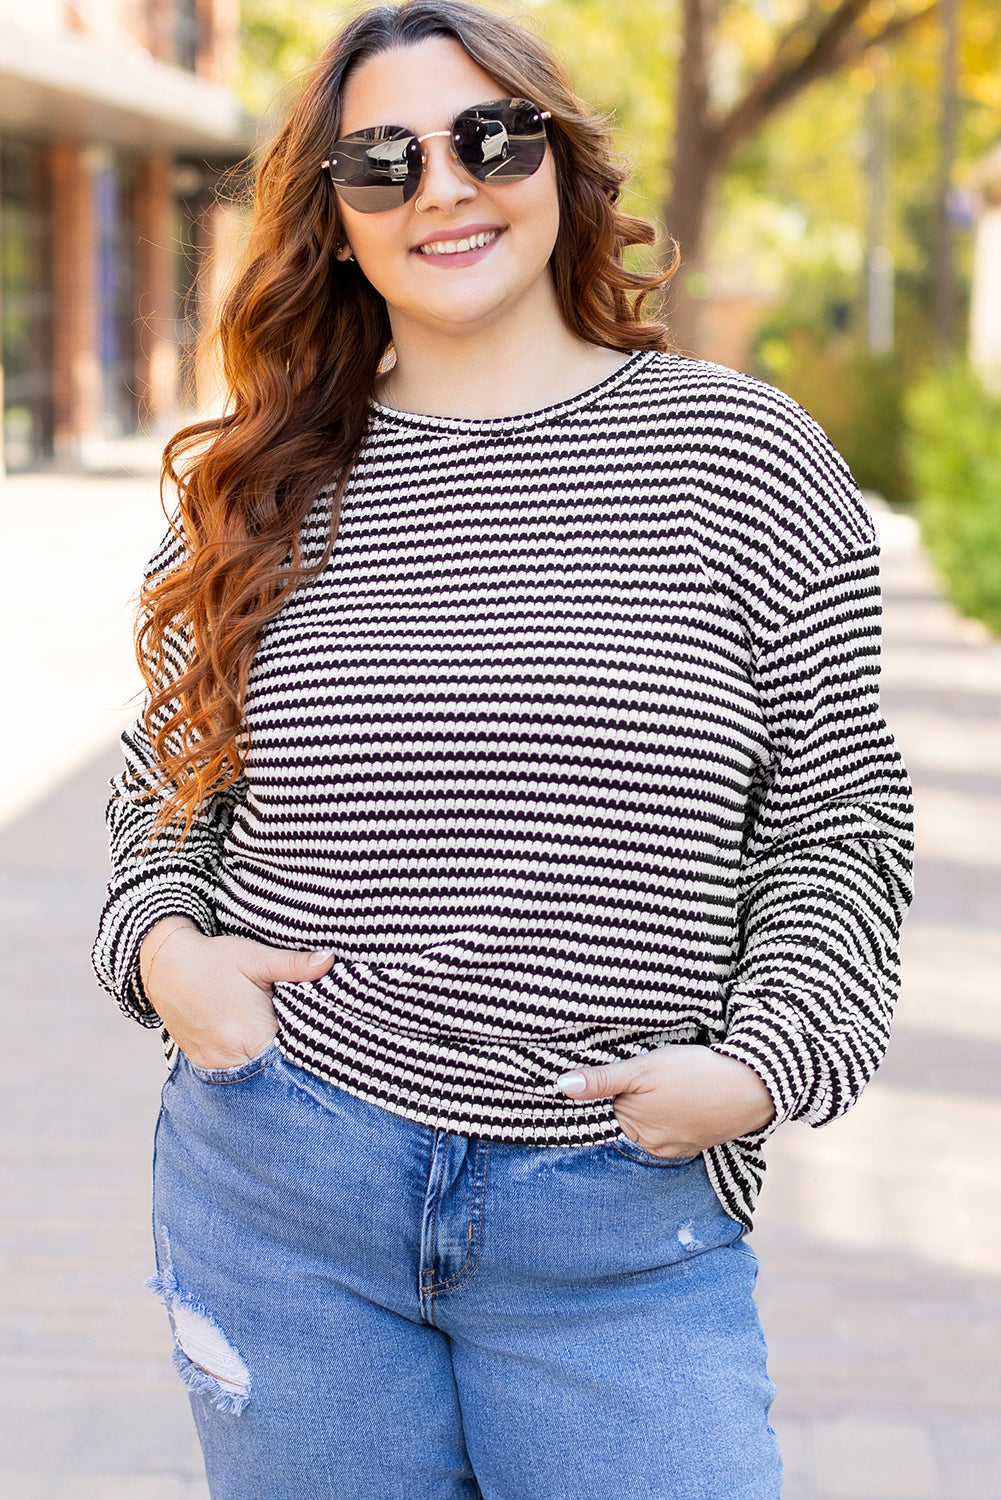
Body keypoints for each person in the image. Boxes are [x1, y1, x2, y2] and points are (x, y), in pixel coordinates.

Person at [92, 2, 914, 1496]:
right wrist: (164, 955)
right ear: (333, 221)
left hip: (617, 1214)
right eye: (382, 163)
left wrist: (763, 1065)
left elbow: (838, 815)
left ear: (559, 161)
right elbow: (166, 784)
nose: (445, 188)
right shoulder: (265, 480)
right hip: (286, 1181)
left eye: (490, 138)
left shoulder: (739, 453)